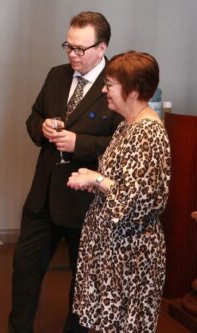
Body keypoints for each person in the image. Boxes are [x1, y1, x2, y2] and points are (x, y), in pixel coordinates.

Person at [9, 12, 123, 333]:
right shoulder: (56, 75)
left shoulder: (116, 86)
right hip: (43, 196)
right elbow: (33, 117)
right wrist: (41, 126)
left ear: (102, 48)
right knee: (25, 272)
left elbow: (120, 146)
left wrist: (79, 143)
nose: (72, 55)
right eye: (68, 47)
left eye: (80, 49)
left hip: (85, 204)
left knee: (82, 284)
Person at [67, 51, 171, 332]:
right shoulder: (127, 125)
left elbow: (136, 201)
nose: (103, 90)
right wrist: (93, 178)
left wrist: (96, 179)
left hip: (129, 256)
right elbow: (120, 182)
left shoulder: (148, 132)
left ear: (133, 90)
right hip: (112, 251)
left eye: (109, 84)